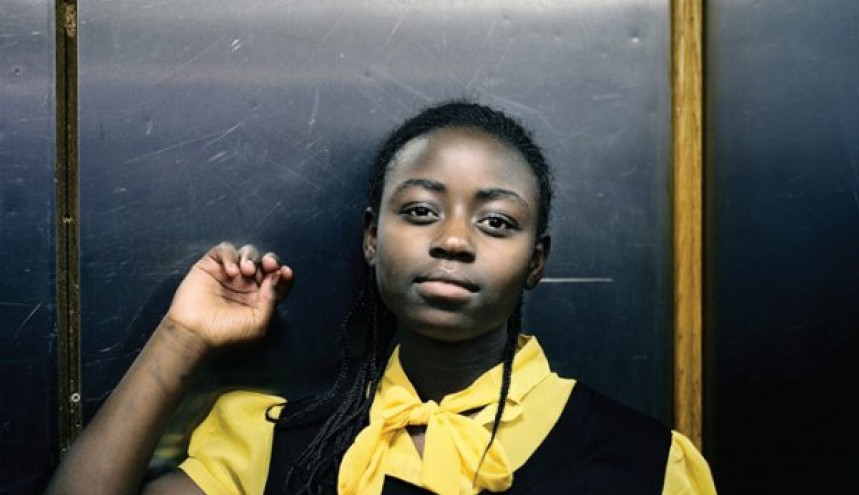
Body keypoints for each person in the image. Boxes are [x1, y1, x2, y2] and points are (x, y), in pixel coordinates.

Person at [46, 102, 716, 495]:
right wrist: (182, 337)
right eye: (421, 211)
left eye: (497, 222)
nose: (454, 239)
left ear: (536, 261)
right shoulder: (268, 442)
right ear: (372, 237)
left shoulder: (649, 463)